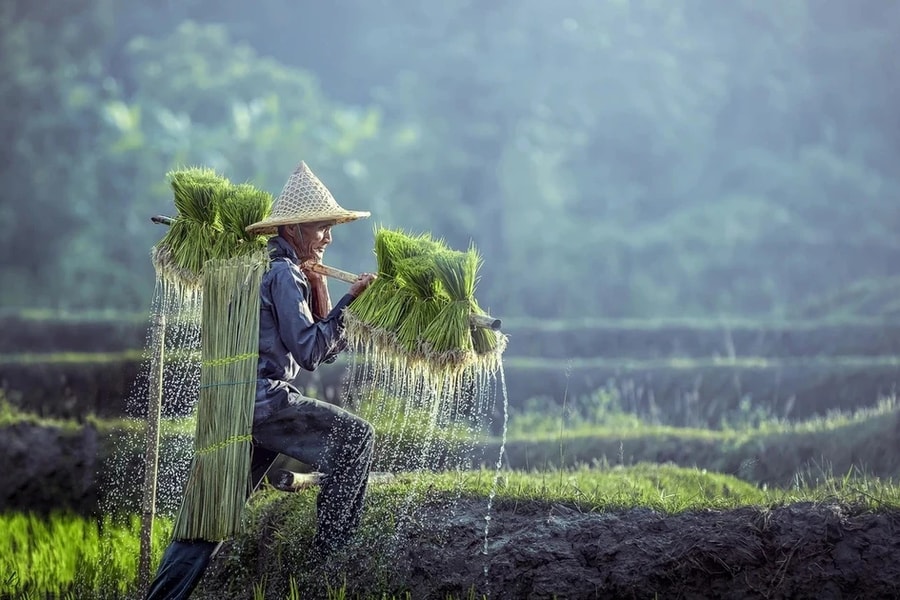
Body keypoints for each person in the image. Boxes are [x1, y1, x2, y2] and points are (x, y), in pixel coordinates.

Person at [146, 161, 377, 600]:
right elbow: (310, 352)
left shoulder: (258, 264)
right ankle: (330, 566)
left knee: (206, 523)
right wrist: (350, 301)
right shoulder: (283, 273)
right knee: (355, 438)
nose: (329, 237)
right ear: (294, 229)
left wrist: (322, 289)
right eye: (322, 227)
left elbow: (320, 347)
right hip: (266, 404)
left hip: (235, 407)